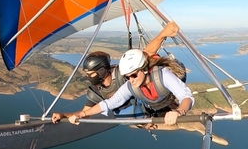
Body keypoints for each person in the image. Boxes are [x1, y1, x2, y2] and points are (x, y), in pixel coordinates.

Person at [52, 21, 179, 124]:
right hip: (133, 116)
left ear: (101, 71)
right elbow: (84, 112)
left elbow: (146, 54)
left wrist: (163, 34)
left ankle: (166, 107)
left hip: (149, 107)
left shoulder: (122, 74)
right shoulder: (96, 91)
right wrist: (63, 115)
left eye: (91, 74)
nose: (88, 77)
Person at [66, 48, 194, 126]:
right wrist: (82, 114)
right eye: (127, 77)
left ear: (143, 69)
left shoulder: (162, 75)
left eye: (133, 75)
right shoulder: (130, 86)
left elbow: (186, 96)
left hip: (168, 96)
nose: (131, 80)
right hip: (156, 104)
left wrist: (179, 111)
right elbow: (109, 103)